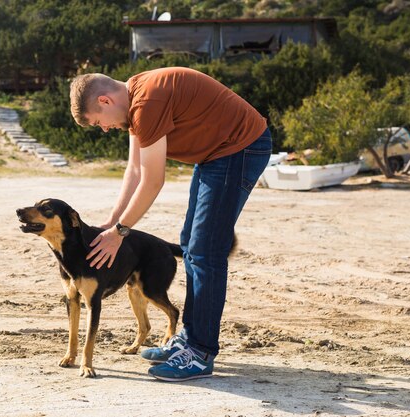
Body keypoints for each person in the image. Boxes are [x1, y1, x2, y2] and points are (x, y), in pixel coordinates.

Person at [69, 67, 271, 382]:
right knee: (192, 244)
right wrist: (111, 223)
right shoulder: (135, 97)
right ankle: (190, 340)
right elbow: (134, 170)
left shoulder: (146, 103)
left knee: (205, 251)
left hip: (239, 148)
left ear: (106, 101)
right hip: (217, 155)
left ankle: (199, 353)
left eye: (98, 122)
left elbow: (152, 181)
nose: (105, 129)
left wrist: (121, 233)